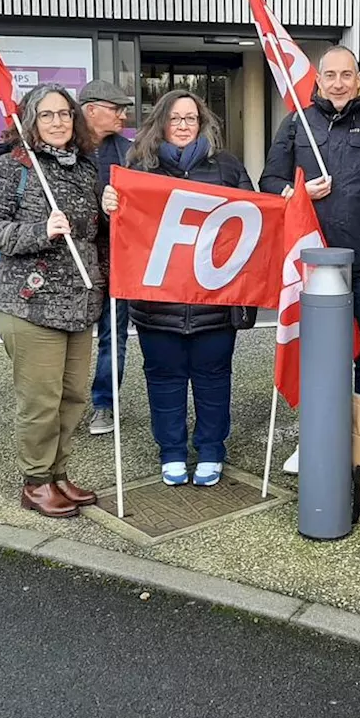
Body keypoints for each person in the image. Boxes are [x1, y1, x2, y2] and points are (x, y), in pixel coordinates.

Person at [100, 90, 253, 488]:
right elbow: (118, 235)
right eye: (175, 118)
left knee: (213, 379)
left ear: (202, 124)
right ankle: (170, 451)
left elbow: (252, 221)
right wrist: (110, 206)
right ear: (161, 123)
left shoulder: (226, 167)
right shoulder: (138, 168)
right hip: (158, 304)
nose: (183, 126)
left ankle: (211, 450)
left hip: (214, 304)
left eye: (191, 118)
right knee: (163, 379)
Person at [0, 83, 105, 519]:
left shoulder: (86, 167)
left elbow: (91, 233)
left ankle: (58, 473)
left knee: (73, 397)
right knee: (40, 400)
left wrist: (108, 209)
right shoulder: (12, 167)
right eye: (47, 115)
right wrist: (38, 231)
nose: (58, 122)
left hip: (79, 303)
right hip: (29, 302)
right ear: (30, 121)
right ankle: (36, 481)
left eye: (64, 113)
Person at [261, 45, 360, 473]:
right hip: (312, 264)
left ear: (359, 79)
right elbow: (269, 181)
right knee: (318, 356)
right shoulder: (298, 123)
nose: (337, 83)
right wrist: (298, 193)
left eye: (346, 74)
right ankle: (316, 438)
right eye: (329, 75)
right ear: (318, 81)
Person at [78, 79, 134, 437]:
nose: (124, 115)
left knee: (114, 336)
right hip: (74, 261)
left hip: (117, 260)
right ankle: (59, 407)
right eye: (116, 109)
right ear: (90, 110)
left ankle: (104, 404)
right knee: (62, 339)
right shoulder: (63, 149)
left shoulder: (131, 152)